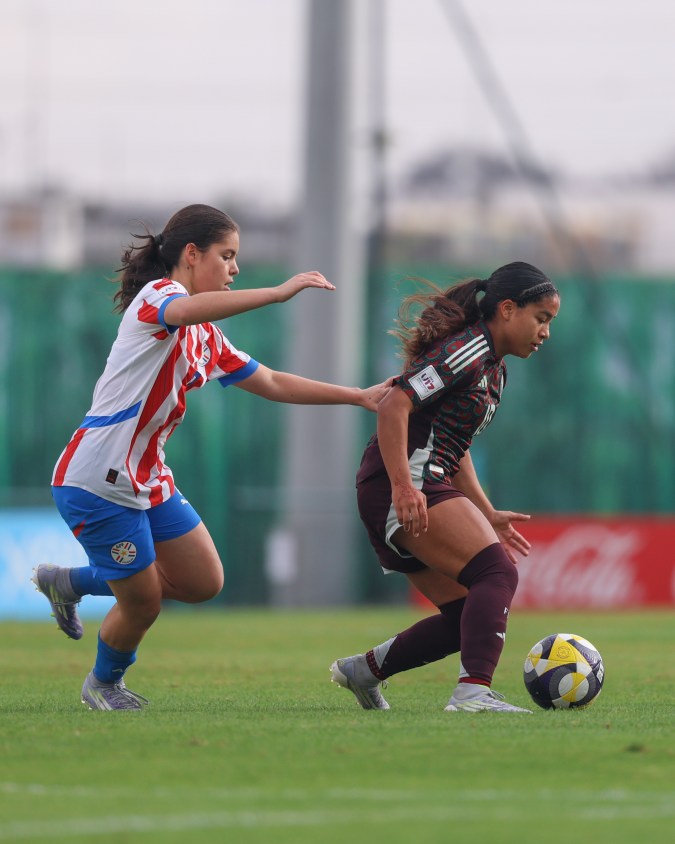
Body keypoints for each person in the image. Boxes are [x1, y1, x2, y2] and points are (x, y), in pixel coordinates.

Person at [32, 203, 390, 711]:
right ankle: (103, 684)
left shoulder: (207, 334)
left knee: (203, 582)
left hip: (148, 477)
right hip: (97, 478)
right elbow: (182, 311)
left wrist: (356, 395)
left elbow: (269, 381)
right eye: (227, 256)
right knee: (143, 602)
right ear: (192, 254)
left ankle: (67, 582)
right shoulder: (158, 297)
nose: (235, 268)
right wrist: (278, 292)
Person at [330, 261, 560, 713]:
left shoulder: (493, 368)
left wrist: (487, 511)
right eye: (542, 318)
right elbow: (394, 404)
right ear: (508, 309)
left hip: (410, 482)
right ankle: (472, 693)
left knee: (466, 616)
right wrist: (402, 487)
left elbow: (454, 443)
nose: (545, 332)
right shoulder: (468, 350)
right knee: (497, 574)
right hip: (406, 482)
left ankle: (363, 670)